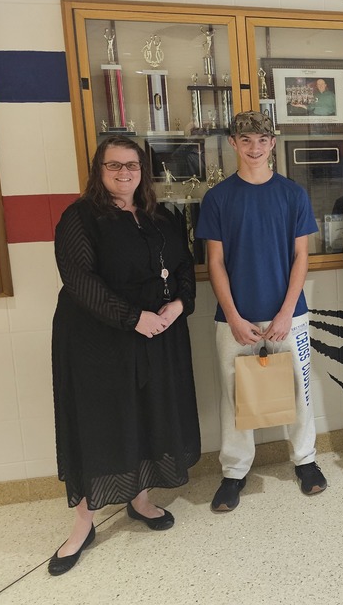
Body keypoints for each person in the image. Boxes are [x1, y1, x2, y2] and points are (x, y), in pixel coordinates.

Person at [49, 136, 200, 575]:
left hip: (159, 333)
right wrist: (133, 317)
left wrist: (178, 305)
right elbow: (78, 279)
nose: (124, 173)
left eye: (132, 165)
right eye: (114, 166)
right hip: (100, 339)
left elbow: (185, 266)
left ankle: (141, 499)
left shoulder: (160, 216)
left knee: (149, 413)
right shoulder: (80, 218)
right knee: (96, 422)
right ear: (99, 170)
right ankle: (83, 523)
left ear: (143, 170)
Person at [196, 110, 325, 511]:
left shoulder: (292, 195)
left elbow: (301, 257)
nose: (255, 148)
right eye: (246, 140)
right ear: (233, 143)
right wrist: (233, 316)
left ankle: (305, 461)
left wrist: (287, 313)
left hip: (290, 315)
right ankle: (234, 473)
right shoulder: (218, 198)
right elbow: (214, 262)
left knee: (300, 393)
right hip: (235, 319)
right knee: (235, 397)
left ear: (273, 143)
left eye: (262, 140)